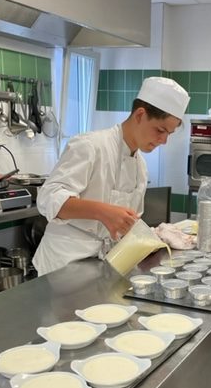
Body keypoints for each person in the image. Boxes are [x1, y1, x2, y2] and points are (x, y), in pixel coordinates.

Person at [33, 77, 190, 276]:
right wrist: (102, 212)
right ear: (140, 115)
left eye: (169, 133)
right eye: (160, 130)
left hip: (103, 266)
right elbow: (48, 198)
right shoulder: (90, 146)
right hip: (62, 266)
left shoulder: (140, 166)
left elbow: (128, 224)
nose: (164, 140)